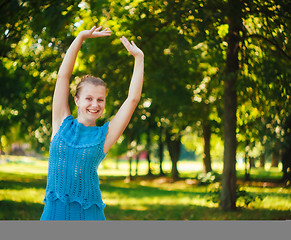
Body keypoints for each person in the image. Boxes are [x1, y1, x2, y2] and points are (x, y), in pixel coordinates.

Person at [40, 26, 144, 220]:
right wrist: (80, 37)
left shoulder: (104, 135)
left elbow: (133, 99)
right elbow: (63, 76)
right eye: (89, 98)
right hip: (53, 214)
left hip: (89, 216)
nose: (95, 104)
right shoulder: (61, 121)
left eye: (100, 100)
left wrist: (139, 59)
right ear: (77, 100)